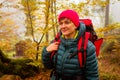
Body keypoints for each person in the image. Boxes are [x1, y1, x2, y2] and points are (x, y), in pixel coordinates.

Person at [42, 9, 99, 80]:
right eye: (61, 23)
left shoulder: (87, 47)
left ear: (75, 25)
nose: (63, 26)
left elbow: (92, 76)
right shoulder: (56, 42)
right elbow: (48, 66)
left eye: (67, 22)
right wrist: (46, 51)